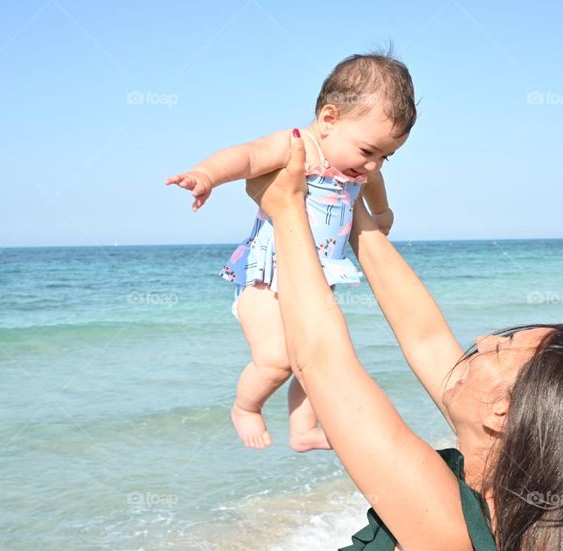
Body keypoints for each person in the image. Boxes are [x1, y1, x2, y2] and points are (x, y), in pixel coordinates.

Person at [247, 131, 563, 551]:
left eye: (500, 348)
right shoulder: (521, 512)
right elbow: (424, 335)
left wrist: (286, 207)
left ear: (502, 413)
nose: (480, 340)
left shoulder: (448, 525)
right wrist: (349, 207)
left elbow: (322, 362)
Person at [166, 52, 413, 451]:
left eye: (385, 155)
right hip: (267, 280)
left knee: (315, 357)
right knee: (277, 359)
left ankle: (302, 431)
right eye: (368, 150)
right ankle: (247, 407)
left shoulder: (358, 166)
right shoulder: (297, 145)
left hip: (314, 281)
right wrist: (207, 175)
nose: (372, 165)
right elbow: (246, 156)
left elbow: (375, 183)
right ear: (329, 119)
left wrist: (381, 213)